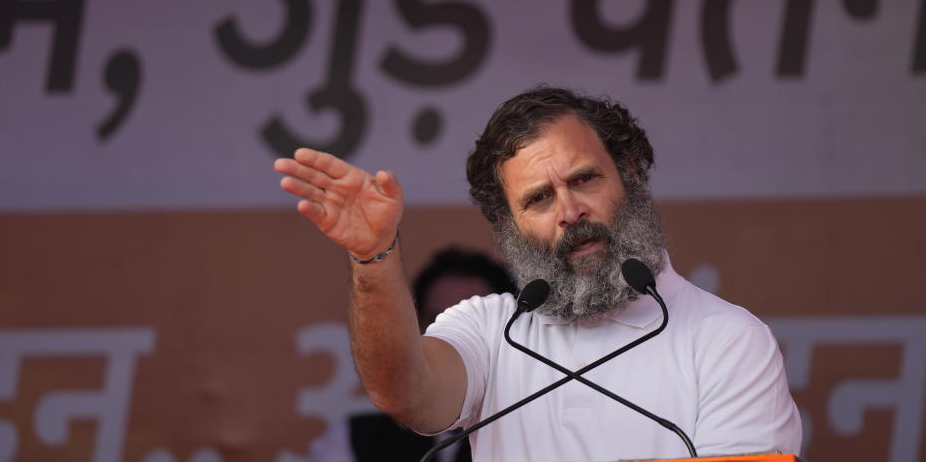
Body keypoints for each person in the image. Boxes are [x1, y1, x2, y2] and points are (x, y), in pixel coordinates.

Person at [275, 86, 802, 461]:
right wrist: (374, 256)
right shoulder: (490, 328)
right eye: (539, 199)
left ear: (631, 174)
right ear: (509, 224)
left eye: (584, 179)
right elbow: (406, 395)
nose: (570, 211)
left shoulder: (728, 340)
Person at [309, 248, 516, 462]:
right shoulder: (353, 438)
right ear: (415, 330)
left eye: (473, 322)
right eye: (437, 319)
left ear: (512, 332)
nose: (454, 338)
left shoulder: (540, 429)